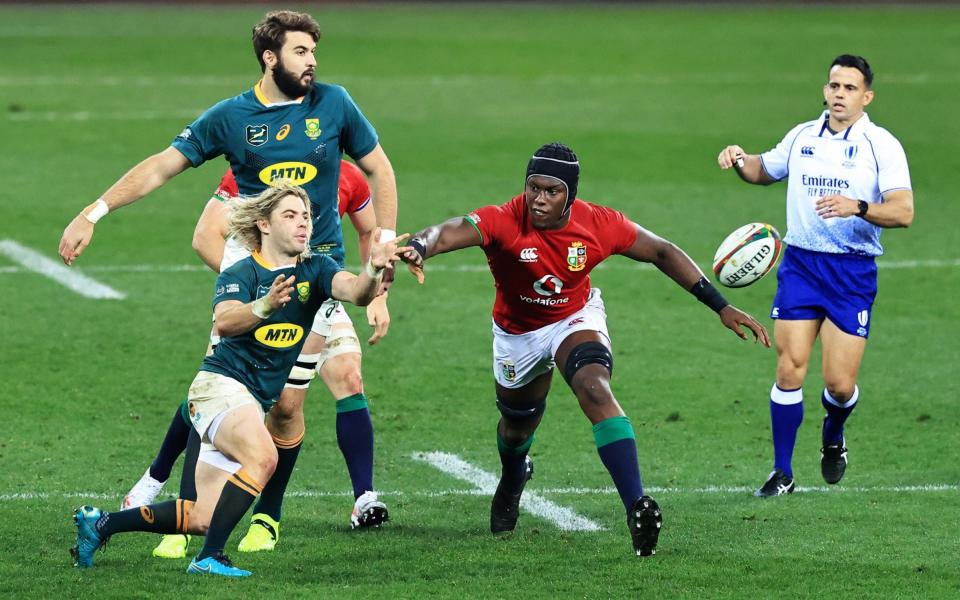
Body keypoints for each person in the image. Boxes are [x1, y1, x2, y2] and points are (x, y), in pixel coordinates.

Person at [58, 10, 399, 546]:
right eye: (300, 52)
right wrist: (94, 211)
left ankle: (268, 515)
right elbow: (160, 167)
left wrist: (384, 242)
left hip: (320, 277)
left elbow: (380, 168)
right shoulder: (231, 117)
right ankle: (183, 506)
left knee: (290, 403)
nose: (311, 62)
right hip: (255, 276)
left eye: (313, 52)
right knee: (220, 384)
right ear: (270, 57)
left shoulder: (334, 103)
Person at [401, 142, 770, 556]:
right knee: (517, 426)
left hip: (574, 318)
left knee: (595, 387)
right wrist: (420, 244)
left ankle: (637, 507)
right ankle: (512, 478)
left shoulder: (598, 223)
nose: (539, 199)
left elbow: (662, 251)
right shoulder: (504, 219)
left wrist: (720, 306)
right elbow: (449, 230)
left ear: (570, 196)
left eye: (551, 191)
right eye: (533, 187)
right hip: (517, 334)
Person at [71, 183, 408, 577]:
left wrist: (373, 268)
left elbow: (356, 292)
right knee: (264, 456)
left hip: (245, 402)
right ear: (263, 224)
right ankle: (210, 557)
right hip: (218, 390)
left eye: (306, 217)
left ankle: (101, 525)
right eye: (290, 216)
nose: (302, 224)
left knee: (200, 517)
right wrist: (264, 305)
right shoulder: (242, 271)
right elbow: (227, 320)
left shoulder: (316, 270)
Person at [716, 54, 914, 497]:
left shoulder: (881, 145)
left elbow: (904, 212)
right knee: (789, 369)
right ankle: (781, 471)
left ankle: (834, 433)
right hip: (801, 265)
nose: (838, 94)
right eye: (833, 86)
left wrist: (857, 206)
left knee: (838, 385)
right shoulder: (804, 135)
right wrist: (740, 158)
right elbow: (763, 170)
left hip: (851, 271)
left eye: (848, 88)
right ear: (825, 90)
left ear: (867, 97)